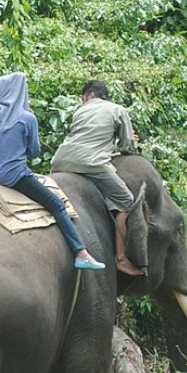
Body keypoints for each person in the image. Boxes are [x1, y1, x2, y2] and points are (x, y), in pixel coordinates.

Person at [0, 71, 106, 270]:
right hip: (14, 177)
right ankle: (80, 252)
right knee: (57, 205)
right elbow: (34, 153)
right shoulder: (27, 118)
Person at [50, 79, 145, 276]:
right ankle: (120, 258)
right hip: (92, 164)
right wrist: (129, 142)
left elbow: (85, 138)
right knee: (126, 201)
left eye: (83, 97)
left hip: (60, 161)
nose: (83, 101)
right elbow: (127, 147)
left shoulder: (80, 111)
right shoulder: (118, 110)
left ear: (90, 95)